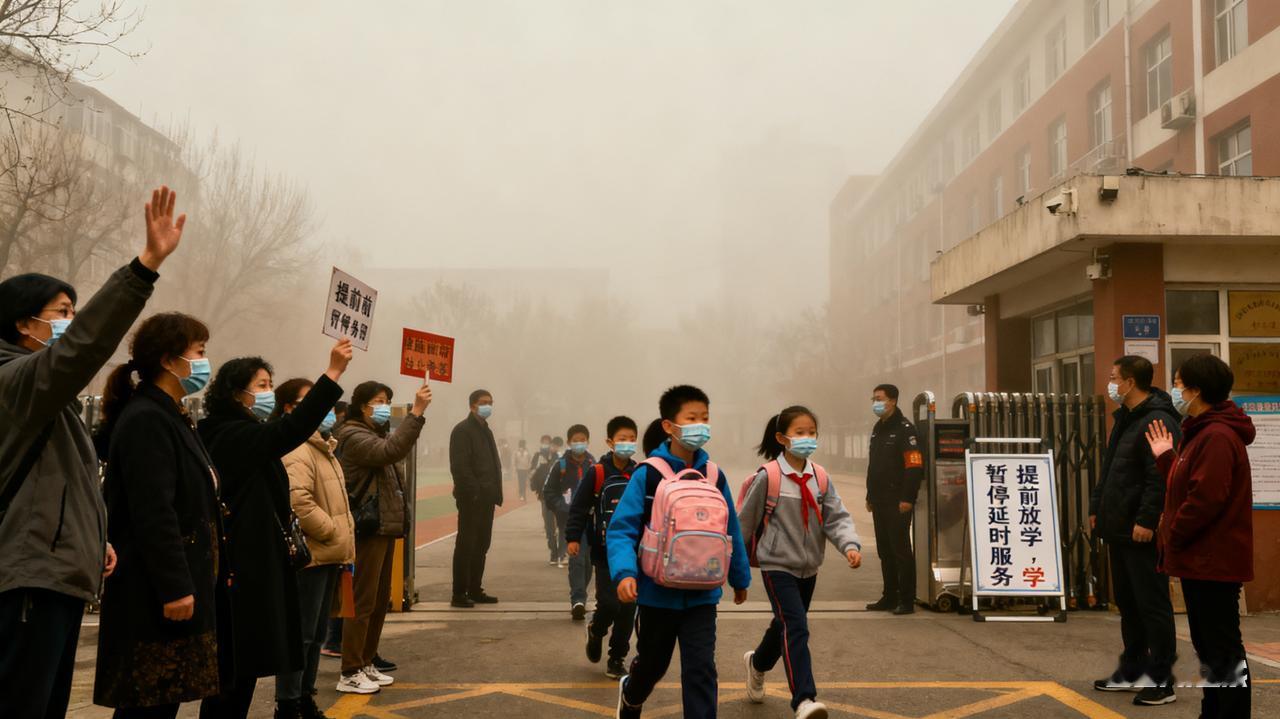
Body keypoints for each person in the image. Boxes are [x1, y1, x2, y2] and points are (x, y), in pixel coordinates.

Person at [0, 185, 183, 719]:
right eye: (61, 312)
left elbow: (58, 483)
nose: (72, 321)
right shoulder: (16, 382)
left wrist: (91, 538)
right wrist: (144, 268)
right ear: (22, 323)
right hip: (27, 582)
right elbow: (82, 348)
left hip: (53, 576)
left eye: (75, 311)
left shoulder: (47, 400)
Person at [197, 341, 352, 719]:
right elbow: (291, 429)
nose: (269, 392)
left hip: (254, 564)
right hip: (240, 568)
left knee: (243, 670)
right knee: (233, 673)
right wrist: (332, 373)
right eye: (262, 386)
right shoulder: (231, 434)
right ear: (237, 393)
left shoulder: (243, 432)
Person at [92, 312, 223, 718]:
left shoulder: (172, 414)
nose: (204, 362)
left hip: (174, 583)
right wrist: (175, 587)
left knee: (162, 701)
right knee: (148, 702)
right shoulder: (147, 418)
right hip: (151, 592)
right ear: (168, 360)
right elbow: (154, 512)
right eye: (198, 352)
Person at [607, 385, 751, 719]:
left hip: (702, 594)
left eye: (705, 418)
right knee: (653, 664)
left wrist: (739, 576)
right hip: (656, 594)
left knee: (701, 669)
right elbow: (622, 528)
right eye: (692, 418)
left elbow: (730, 529)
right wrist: (625, 573)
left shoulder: (713, 475)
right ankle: (632, 694)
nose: (701, 425)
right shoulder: (648, 474)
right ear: (669, 425)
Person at [1146, 355, 1254, 718]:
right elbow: (1188, 485)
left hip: (1213, 560)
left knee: (1222, 649)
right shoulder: (1200, 431)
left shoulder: (1217, 436)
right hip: (1201, 560)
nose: (1175, 389)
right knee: (1210, 649)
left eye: (1178, 383)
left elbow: (1205, 499)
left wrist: (1173, 534)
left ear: (1196, 390)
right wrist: (1166, 459)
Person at [738, 407, 863, 719]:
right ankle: (804, 699)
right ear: (782, 438)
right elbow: (744, 524)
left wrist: (849, 545)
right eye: (800, 432)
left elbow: (836, 517)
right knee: (796, 627)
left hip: (809, 568)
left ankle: (757, 663)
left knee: (783, 624)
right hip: (777, 566)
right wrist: (734, 570)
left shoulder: (820, 477)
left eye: (811, 432)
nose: (807, 438)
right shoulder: (769, 477)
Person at [1089, 356, 1180, 705]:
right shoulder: (1125, 418)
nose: (1111, 384)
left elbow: (1160, 477)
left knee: (1151, 604)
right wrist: (1097, 507)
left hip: (1140, 529)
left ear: (1130, 382)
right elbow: (1111, 468)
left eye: (1114, 378)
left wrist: (1147, 519)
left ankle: (1161, 680)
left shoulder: (1158, 420)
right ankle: (1133, 669)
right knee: (1128, 603)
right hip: (1118, 526)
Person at [333, 380, 430, 694]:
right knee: (362, 601)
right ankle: (350, 670)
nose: (385, 405)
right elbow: (392, 451)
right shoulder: (353, 436)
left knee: (378, 601)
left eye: (387, 400)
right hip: (368, 529)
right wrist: (416, 413)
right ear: (362, 406)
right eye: (378, 400)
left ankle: (365, 661)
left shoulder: (374, 434)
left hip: (383, 527)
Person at [274, 379, 356, 719]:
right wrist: (331, 531)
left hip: (327, 554)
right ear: (290, 408)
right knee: (302, 635)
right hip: (311, 554)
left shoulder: (322, 446)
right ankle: (289, 702)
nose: (324, 409)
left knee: (317, 633)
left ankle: (305, 697)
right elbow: (299, 501)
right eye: (311, 401)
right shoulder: (297, 449)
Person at [567, 416, 639, 679]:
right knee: (609, 603)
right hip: (604, 551)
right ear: (610, 442)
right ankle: (596, 630)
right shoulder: (597, 472)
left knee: (628, 607)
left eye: (632, 439)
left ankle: (617, 657)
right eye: (622, 439)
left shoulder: (639, 473)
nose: (627, 443)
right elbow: (579, 506)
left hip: (632, 552)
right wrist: (573, 537)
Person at [864, 384, 922, 615]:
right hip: (879, 500)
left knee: (900, 552)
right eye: (874, 399)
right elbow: (874, 466)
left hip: (898, 501)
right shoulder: (878, 428)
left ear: (893, 401)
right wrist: (870, 495)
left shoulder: (905, 430)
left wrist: (907, 497)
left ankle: (906, 600)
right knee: (885, 551)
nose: (875, 403)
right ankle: (889, 596)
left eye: (879, 399)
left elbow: (914, 466)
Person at [448, 389, 503, 608]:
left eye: (490, 402)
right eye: (483, 402)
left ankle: (474, 589)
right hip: (472, 498)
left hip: (487, 497)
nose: (488, 406)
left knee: (481, 544)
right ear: (472, 405)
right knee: (466, 545)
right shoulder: (462, 430)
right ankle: (459, 593)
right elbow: (460, 467)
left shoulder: (485, 430)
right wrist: (475, 491)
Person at [545, 424, 595, 615]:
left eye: (582, 440)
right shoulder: (561, 465)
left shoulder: (594, 464)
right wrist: (562, 506)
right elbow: (548, 492)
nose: (579, 443)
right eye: (575, 440)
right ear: (568, 442)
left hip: (589, 519)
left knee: (588, 563)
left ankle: (581, 593)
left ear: (588, 441)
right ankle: (578, 600)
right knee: (577, 559)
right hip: (569, 519)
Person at [530, 435, 563, 565]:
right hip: (545, 496)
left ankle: (562, 553)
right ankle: (553, 553)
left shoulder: (561, 458)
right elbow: (532, 474)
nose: (550, 447)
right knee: (549, 527)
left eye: (551, 444)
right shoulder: (538, 456)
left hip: (559, 496)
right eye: (546, 444)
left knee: (562, 525)